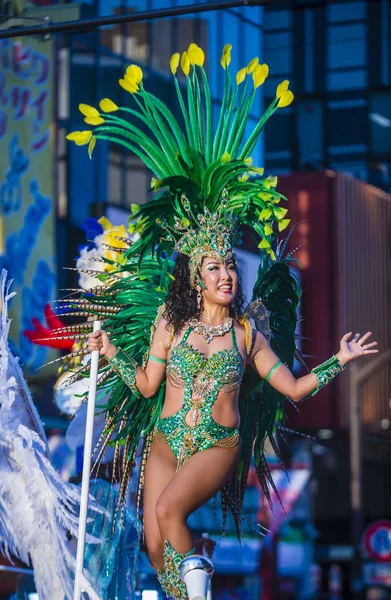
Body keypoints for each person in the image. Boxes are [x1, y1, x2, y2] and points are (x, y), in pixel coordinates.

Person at [63, 42, 379, 599]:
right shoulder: (171, 321)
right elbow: (146, 385)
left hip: (215, 442)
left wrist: (340, 359)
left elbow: (295, 387)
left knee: (168, 509)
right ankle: (189, 581)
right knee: (156, 542)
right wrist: (111, 352)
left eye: (230, 265)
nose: (227, 274)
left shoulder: (247, 333)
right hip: (165, 440)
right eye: (215, 267)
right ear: (195, 277)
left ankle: (200, 576)